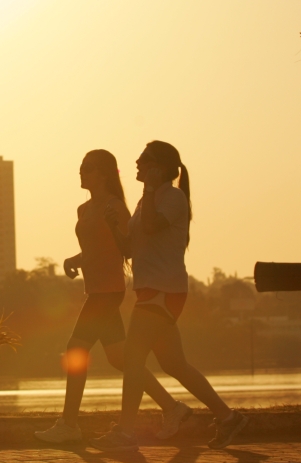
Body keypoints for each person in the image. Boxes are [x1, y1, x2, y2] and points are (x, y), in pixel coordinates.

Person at [92, 140, 248, 451]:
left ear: (159, 168)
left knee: (132, 358)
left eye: (143, 159)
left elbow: (151, 227)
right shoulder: (145, 200)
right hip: (153, 291)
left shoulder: (173, 197)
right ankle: (229, 418)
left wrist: (149, 190)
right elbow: (130, 249)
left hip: (163, 291)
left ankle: (125, 433)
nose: (137, 163)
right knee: (175, 364)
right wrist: (114, 227)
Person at [35, 149, 192, 444]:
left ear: (104, 174)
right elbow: (95, 250)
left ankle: (69, 425)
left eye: (88, 167)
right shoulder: (84, 210)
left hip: (109, 291)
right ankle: (172, 408)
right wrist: (74, 260)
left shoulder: (115, 207)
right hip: (96, 289)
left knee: (75, 349)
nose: (82, 171)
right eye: (81, 166)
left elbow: (127, 247)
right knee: (121, 358)